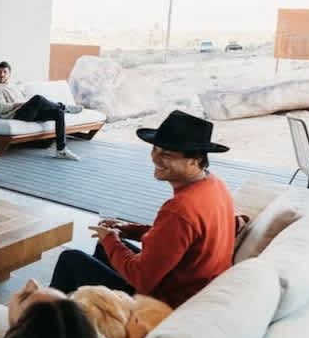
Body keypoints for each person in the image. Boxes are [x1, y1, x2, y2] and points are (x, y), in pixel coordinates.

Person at [50, 110, 236, 307]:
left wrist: (110, 239)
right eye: (155, 149)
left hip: (164, 300)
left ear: (195, 159)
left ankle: (45, 317)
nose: (155, 158)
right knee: (105, 247)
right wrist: (128, 229)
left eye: (167, 154)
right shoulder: (215, 185)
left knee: (71, 259)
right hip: (191, 283)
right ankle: (95, 309)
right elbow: (177, 237)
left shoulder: (180, 209)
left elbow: (142, 279)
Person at [0, 61, 84, 161]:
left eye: (5, 72)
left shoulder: (13, 86)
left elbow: (24, 100)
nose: (2, 74)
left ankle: (61, 150)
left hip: (27, 111)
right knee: (38, 98)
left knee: (58, 113)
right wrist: (19, 104)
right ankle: (63, 106)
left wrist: (26, 103)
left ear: (9, 74)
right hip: (16, 114)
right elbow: (1, 107)